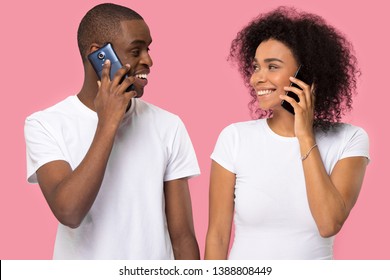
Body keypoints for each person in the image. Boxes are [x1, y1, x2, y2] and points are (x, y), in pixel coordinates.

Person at [24, 3, 200, 260]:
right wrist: (108, 122)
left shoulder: (168, 125)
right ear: (99, 56)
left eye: (148, 49)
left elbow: (182, 236)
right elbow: (69, 211)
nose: (148, 60)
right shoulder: (45, 124)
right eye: (135, 50)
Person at [205, 6, 369, 260]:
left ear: (306, 74)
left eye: (272, 67)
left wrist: (304, 135)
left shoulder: (349, 140)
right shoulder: (234, 138)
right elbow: (217, 235)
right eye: (256, 67)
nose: (256, 78)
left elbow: (328, 223)